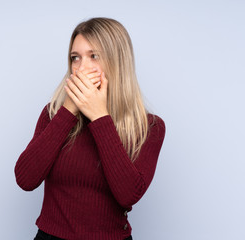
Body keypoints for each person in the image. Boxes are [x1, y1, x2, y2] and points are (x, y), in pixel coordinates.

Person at [14, 17, 166, 240]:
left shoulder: (150, 127)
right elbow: (25, 179)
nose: (81, 68)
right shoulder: (53, 114)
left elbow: (128, 195)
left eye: (94, 56)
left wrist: (99, 116)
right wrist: (68, 111)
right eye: (75, 58)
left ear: (117, 62)